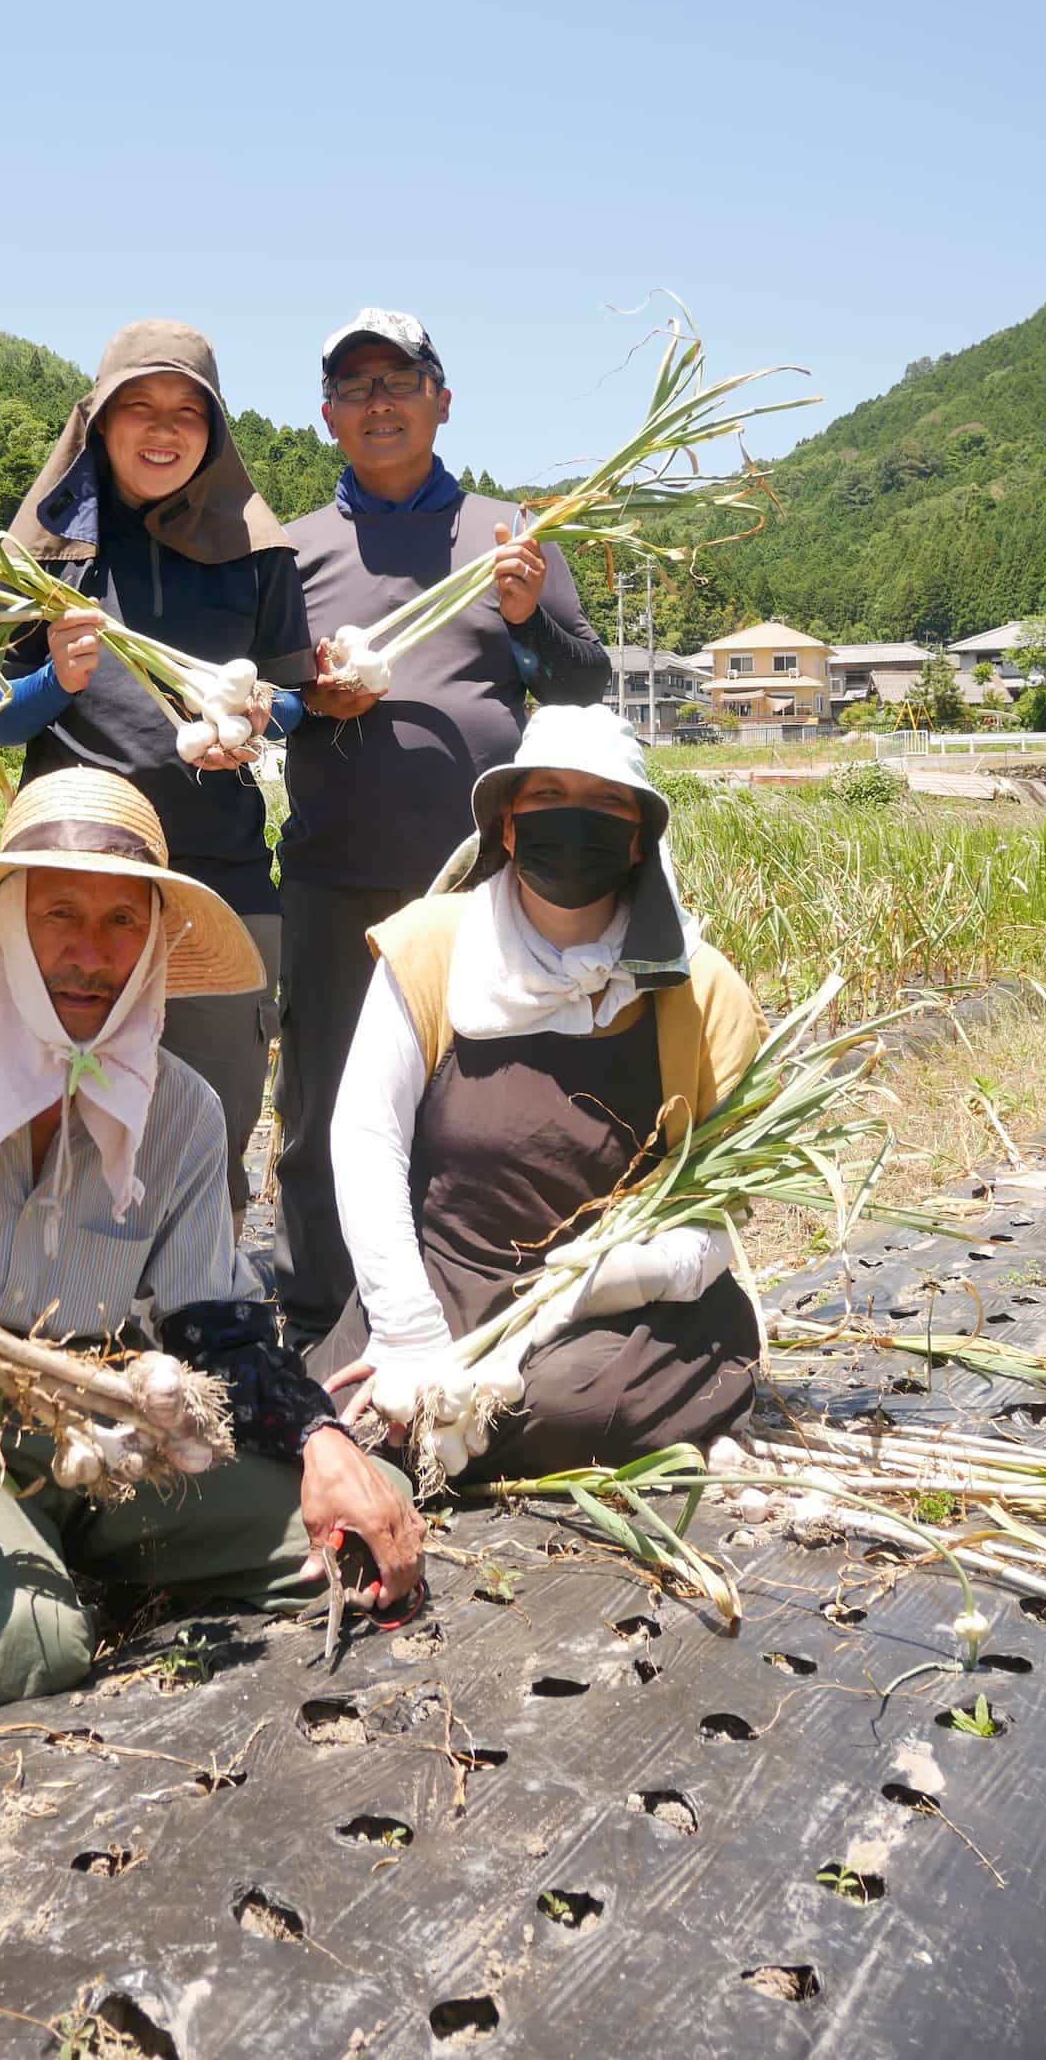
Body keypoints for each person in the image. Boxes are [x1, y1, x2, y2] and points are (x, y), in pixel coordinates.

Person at [0, 767, 422, 1721]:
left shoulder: (181, 1111)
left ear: (156, 940)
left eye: (125, 922)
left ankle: (45, 1541)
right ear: (1, 923)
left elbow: (220, 1333)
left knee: (370, 1512)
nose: (92, 954)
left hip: (100, 1417)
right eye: (59, 915)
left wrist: (323, 1439)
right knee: (19, 1657)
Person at [311, 703, 766, 1481]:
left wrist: (637, 1273)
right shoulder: (433, 945)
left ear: (636, 840)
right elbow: (366, 1138)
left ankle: (654, 1398)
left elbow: (724, 1208)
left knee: (561, 1408)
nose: (573, 821)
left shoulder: (702, 987)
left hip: (621, 1311)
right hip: (446, 1281)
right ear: (509, 827)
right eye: (548, 798)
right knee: (331, 1408)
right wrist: (410, 1331)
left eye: (605, 805)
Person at [274, 309, 610, 1343]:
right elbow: (263, 708)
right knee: (325, 1103)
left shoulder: (508, 536)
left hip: (476, 885)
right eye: (355, 386)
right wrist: (308, 704)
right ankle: (320, 1317)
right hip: (337, 876)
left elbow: (585, 686)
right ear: (327, 414)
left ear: (442, 400)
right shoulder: (286, 555)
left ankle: (475, 1305)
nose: (378, 402)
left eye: (399, 380)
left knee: (477, 1103)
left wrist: (526, 617)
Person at [0, 321, 315, 1215]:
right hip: (74, 877)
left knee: (210, 1123)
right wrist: (57, 677)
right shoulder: (43, 554)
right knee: (59, 1128)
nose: (163, 429)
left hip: (224, 878)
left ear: (215, 431)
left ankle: (199, 1314)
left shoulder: (259, 549)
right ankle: (63, 1323)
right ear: (96, 423)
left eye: (187, 411)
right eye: (138, 406)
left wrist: (253, 718)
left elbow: (290, 698)